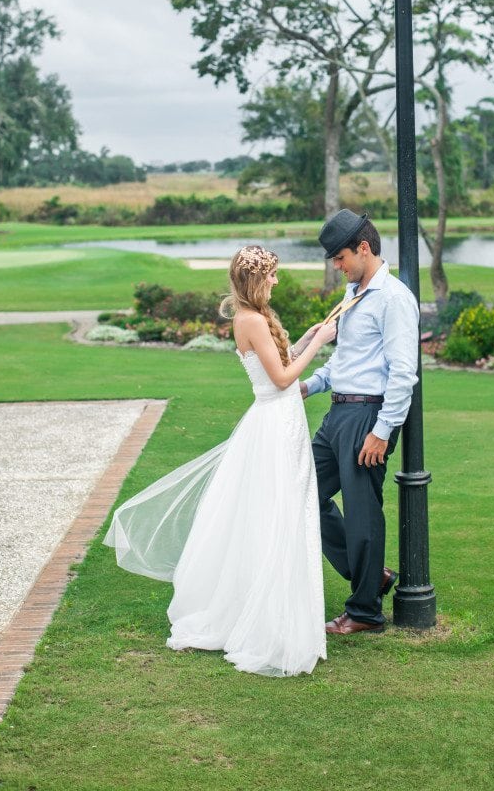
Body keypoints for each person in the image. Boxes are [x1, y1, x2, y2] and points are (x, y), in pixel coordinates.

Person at [104, 245, 336, 677]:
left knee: (283, 513)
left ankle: (280, 610)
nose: (276, 282)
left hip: (281, 422)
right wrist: (320, 345)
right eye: (271, 276)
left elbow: (281, 362)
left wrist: (307, 336)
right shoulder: (249, 320)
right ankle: (266, 620)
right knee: (275, 516)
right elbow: (284, 379)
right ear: (255, 280)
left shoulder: (256, 318)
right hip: (273, 425)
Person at [300, 210, 419, 635]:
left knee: (364, 514)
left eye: (339, 256)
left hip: (368, 415)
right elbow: (343, 362)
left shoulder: (393, 298)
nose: (336, 265)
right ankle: (373, 577)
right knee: (300, 491)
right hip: (337, 414)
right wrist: (307, 387)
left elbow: (403, 372)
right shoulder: (354, 294)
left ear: (363, 248)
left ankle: (365, 612)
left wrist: (382, 431)